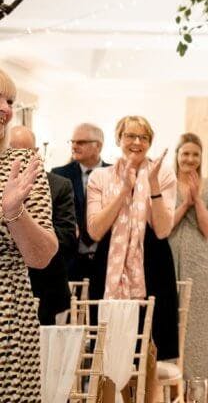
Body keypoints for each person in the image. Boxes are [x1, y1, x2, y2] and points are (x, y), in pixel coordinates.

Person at [87, 116, 179, 365]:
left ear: (150, 142)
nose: (137, 142)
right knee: (106, 354)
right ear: (119, 139)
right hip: (108, 268)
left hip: (153, 266)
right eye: (130, 135)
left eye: (144, 137)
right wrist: (123, 192)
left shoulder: (164, 174)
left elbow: (162, 230)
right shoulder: (100, 177)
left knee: (150, 354)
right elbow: (94, 231)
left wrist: (152, 185)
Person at [0, 68, 57, 401]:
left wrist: (13, 212)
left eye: (10, 101)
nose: (6, 109)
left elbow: (41, 256)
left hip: (7, 318)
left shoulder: (21, 163)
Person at [10, 126, 77, 326]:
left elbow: (66, 238)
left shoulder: (58, 185)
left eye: (25, 153)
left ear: (36, 152)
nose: (18, 160)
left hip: (46, 287)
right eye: (13, 153)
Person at [168, 132, 208, 383]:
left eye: (195, 154)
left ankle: (197, 383)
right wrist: (184, 204)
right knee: (170, 318)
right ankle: (169, 381)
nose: (190, 158)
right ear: (177, 155)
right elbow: (163, 226)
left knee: (198, 320)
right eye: (185, 153)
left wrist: (197, 199)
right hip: (167, 255)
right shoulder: (164, 183)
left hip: (198, 260)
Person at [52, 123, 110, 283]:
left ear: (98, 145)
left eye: (81, 142)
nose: (74, 146)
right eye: (73, 142)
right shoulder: (59, 175)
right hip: (71, 260)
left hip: (106, 258)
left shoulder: (114, 174)